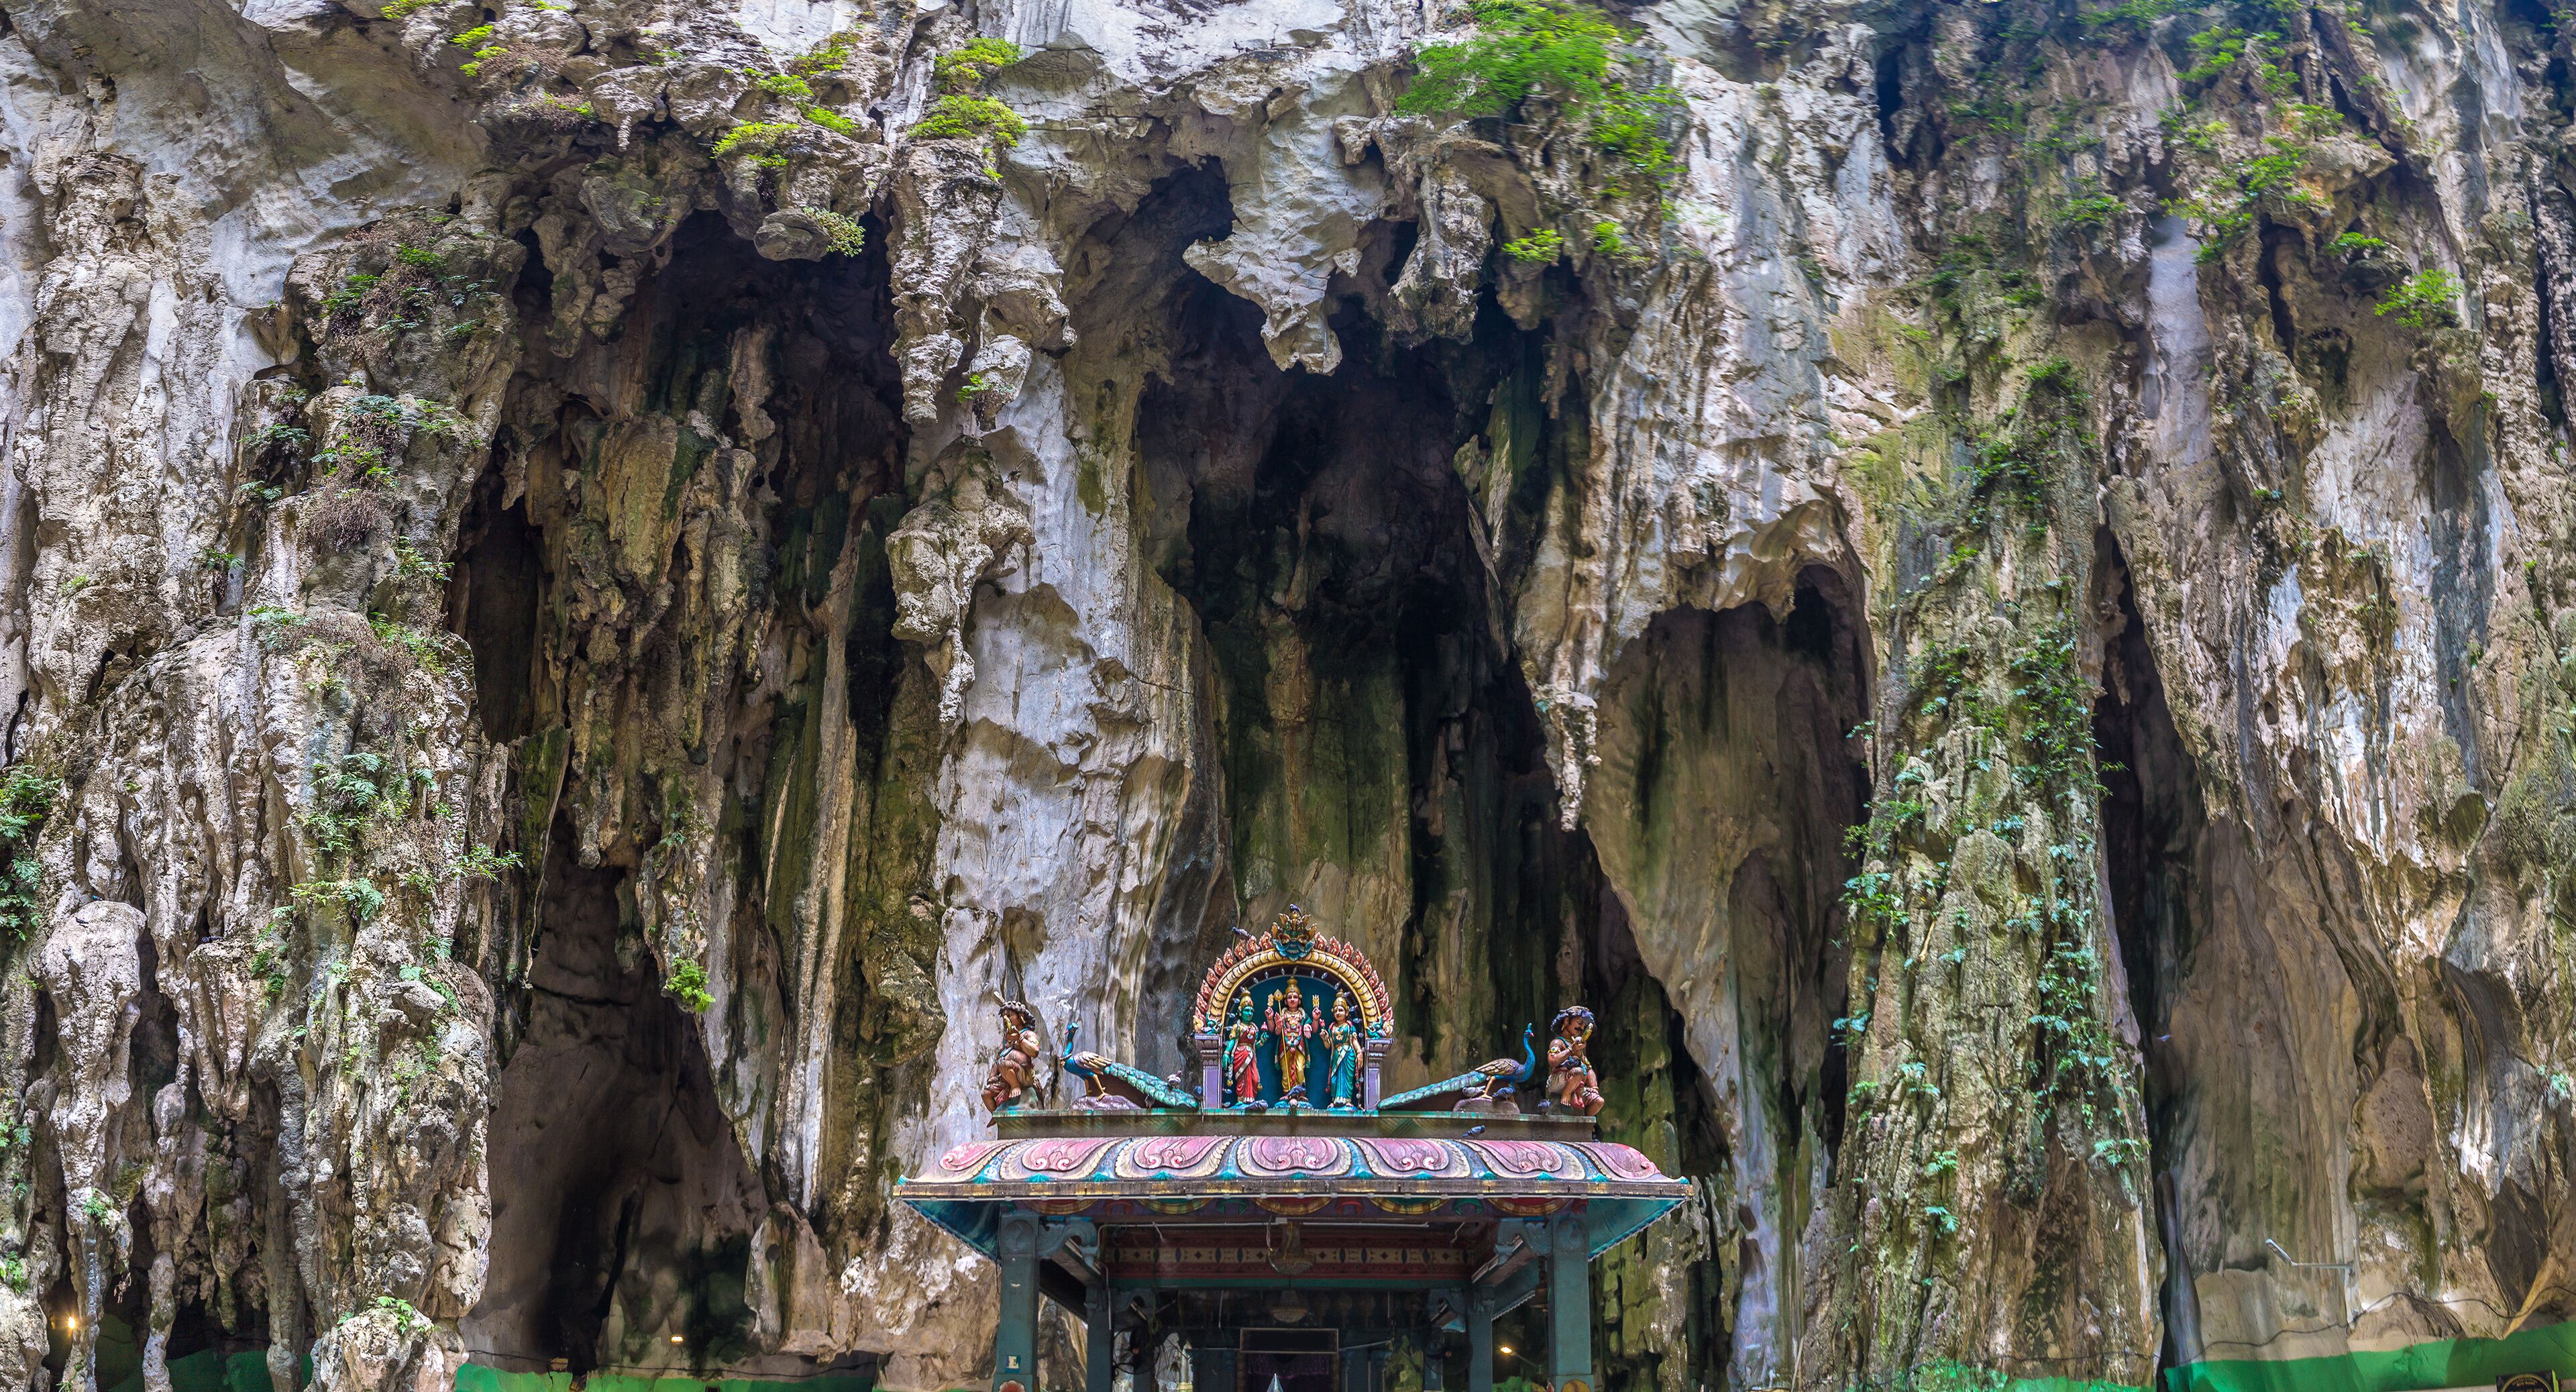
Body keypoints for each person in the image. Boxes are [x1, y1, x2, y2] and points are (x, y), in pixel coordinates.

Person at [1548, 1004, 1604, 1117]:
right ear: (1567, 1021)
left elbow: (1588, 1068)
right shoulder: (1558, 1043)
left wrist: (1594, 1088)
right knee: (1578, 1071)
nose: (1582, 1028)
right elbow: (1553, 1060)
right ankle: (1566, 1094)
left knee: (1599, 1101)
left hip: (1578, 1084)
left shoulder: (1577, 1046)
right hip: (1560, 1081)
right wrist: (1571, 1050)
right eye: (1579, 1023)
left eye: (1584, 1025)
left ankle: (1586, 1123)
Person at [1268, 980, 1317, 1105]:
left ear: (1299, 1000)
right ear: (1285, 1000)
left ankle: (1300, 1094)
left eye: (1295, 997)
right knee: (1286, 1072)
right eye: (1290, 997)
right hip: (1285, 1047)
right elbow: (1275, 1032)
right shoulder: (1283, 1014)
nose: (1293, 1000)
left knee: (1300, 1069)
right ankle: (1288, 1094)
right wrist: (1278, 1025)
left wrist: (1311, 1023)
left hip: (1300, 1046)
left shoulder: (1303, 1015)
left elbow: (1314, 1029)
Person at [1224, 992, 1265, 1107]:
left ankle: (1251, 1100)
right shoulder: (1237, 1027)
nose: (1249, 1014)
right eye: (1247, 1011)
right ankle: (1241, 1101)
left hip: (1251, 1057)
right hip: (1240, 1054)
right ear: (1241, 1011)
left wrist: (1261, 1042)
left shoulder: (1254, 1028)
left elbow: (1255, 1046)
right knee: (1242, 1079)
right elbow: (1232, 1041)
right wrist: (1227, 1053)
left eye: (1251, 1011)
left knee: (1255, 1080)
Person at [1324, 993, 1362, 1110]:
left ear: (1346, 1012)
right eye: (1336, 1011)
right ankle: (1335, 1101)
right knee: (1334, 1079)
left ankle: (1347, 1101)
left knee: (1347, 1079)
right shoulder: (1332, 1028)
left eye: (1340, 1010)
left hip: (1348, 1054)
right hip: (1336, 1055)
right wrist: (1324, 1039)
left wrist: (1359, 1052)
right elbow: (1328, 1046)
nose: (1338, 1013)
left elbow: (1354, 1041)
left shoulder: (1350, 1026)